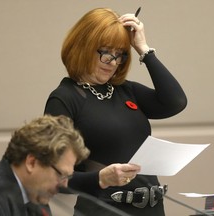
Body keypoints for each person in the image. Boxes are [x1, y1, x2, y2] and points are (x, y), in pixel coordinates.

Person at [44, 7, 187, 216]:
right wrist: (101, 178)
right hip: (103, 210)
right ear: (83, 47)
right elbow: (51, 177)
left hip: (152, 209)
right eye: (105, 52)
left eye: (120, 54)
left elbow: (176, 101)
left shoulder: (126, 90)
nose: (113, 62)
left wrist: (143, 49)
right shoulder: (65, 98)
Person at [0, 115, 90, 216]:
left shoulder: (34, 194)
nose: (64, 185)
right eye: (61, 175)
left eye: (68, 177)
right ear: (31, 162)